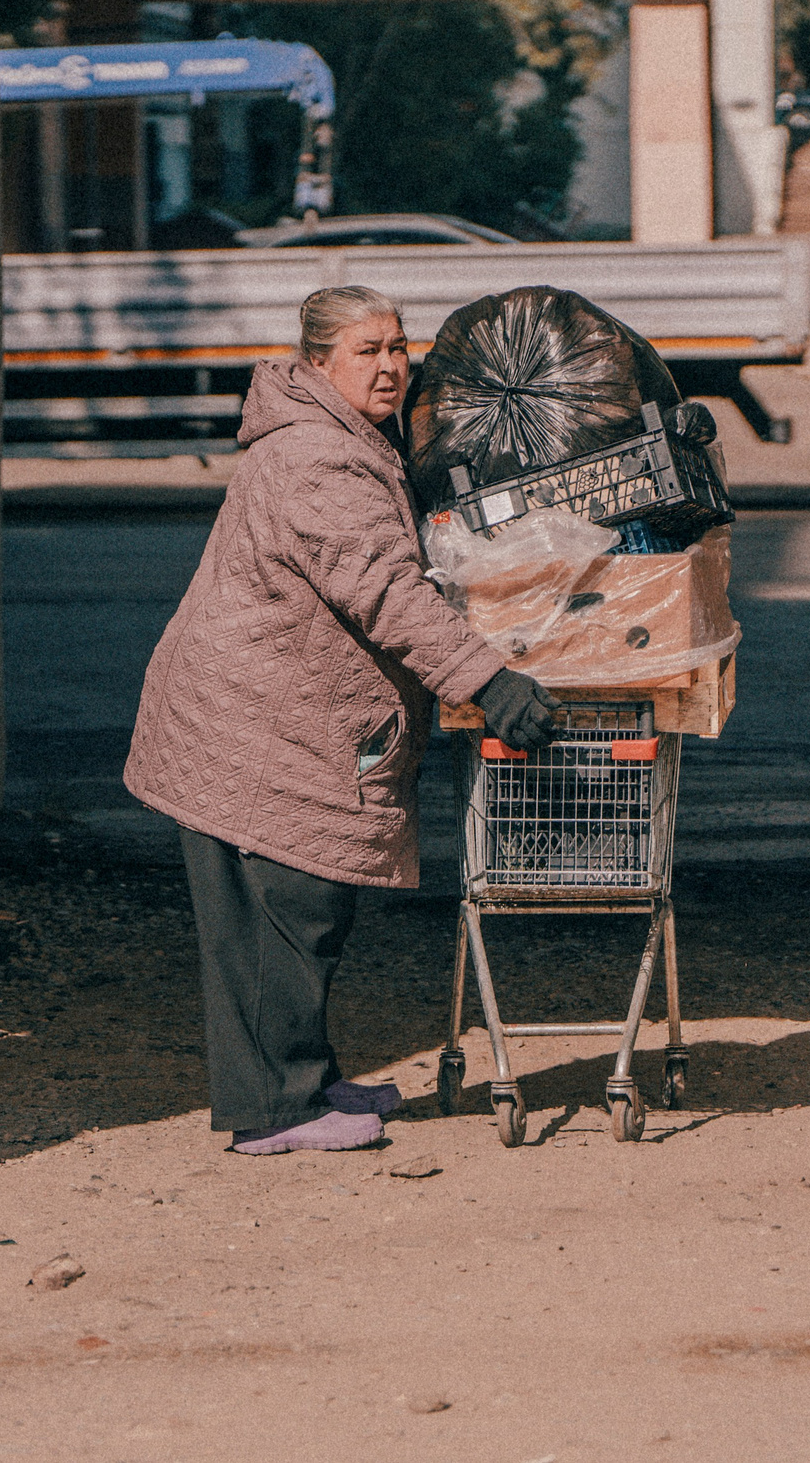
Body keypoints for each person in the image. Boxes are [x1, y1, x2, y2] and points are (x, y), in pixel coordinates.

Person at [123, 285, 560, 1155]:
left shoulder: (345, 440)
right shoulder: (317, 459)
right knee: (283, 914)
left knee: (304, 908)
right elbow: (385, 589)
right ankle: (274, 1113)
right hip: (250, 726)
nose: (393, 365)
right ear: (318, 363)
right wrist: (485, 677)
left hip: (273, 717)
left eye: (399, 346)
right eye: (368, 351)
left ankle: (306, 1076)